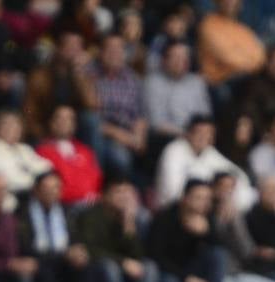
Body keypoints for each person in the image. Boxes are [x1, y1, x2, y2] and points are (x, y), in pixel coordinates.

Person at [74, 177, 159, 282]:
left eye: (127, 192)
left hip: (124, 270)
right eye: (118, 192)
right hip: (97, 270)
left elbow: (138, 255)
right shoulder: (91, 215)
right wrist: (123, 262)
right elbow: (91, 249)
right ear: (105, 195)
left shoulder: (132, 217)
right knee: (109, 267)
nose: (123, 197)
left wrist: (129, 226)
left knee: (150, 266)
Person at [147, 178, 227, 282]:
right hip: (169, 271)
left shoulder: (208, 218)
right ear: (185, 198)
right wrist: (186, 279)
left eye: (207, 199)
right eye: (198, 198)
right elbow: (156, 256)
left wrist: (206, 233)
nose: (203, 203)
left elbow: (218, 247)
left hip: (194, 269)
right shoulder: (165, 217)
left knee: (218, 255)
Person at [17, 171, 92, 282]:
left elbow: (75, 239)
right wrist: (63, 254)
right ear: (36, 190)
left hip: (64, 264)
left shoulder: (67, 212)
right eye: (46, 188)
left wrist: (78, 250)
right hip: (38, 264)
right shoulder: (22, 213)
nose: (51, 192)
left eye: (56, 187)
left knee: (88, 266)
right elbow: (23, 246)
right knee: (44, 271)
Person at [155, 115, 254, 212]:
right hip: (173, 209)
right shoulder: (174, 150)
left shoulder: (209, 152)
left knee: (247, 194)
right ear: (189, 133)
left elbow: (239, 175)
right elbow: (172, 192)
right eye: (200, 132)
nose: (204, 137)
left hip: (204, 205)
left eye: (208, 133)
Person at [91, 33, 146, 178]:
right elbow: (93, 120)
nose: (115, 54)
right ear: (101, 52)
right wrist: (120, 135)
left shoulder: (133, 78)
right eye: (110, 49)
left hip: (129, 132)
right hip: (105, 134)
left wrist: (138, 137)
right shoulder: (90, 76)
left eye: (119, 49)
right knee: (120, 158)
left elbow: (140, 114)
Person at [143, 41, 212, 149]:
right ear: (164, 60)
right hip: (166, 139)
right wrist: (186, 135)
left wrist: (198, 135)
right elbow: (156, 123)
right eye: (176, 57)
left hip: (197, 138)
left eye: (184, 57)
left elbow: (205, 116)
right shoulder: (153, 82)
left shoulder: (197, 82)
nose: (181, 61)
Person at [0, 109, 53, 207]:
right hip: (7, 198)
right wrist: (35, 181)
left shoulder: (24, 148)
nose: (12, 128)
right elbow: (9, 179)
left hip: (30, 195)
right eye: (7, 124)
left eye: (16, 125)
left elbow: (46, 166)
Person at [35, 105, 102, 206]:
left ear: (74, 125)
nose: (64, 122)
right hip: (62, 205)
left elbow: (96, 178)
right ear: (52, 123)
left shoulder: (85, 151)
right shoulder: (43, 151)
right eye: (60, 118)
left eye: (69, 119)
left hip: (90, 205)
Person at [195, 0, 265, 88]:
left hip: (245, 78)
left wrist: (250, 64)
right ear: (217, 3)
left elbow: (260, 57)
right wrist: (250, 62)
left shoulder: (243, 29)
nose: (230, 2)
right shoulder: (208, 25)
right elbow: (227, 57)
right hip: (219, 84)